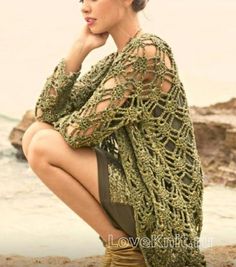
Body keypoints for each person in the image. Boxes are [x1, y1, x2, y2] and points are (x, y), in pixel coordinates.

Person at [22, 0, 207, 266]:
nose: (85, 7)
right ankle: (122, 247)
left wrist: (68, 123)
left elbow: (77, 133)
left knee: (42, 143)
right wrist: (78, 50)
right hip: (139, 190)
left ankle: (125, 251)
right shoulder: (118, 59)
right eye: (82, 0)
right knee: (35, 134)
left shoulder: (147, 52)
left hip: (161, 210)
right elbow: (45, 114)